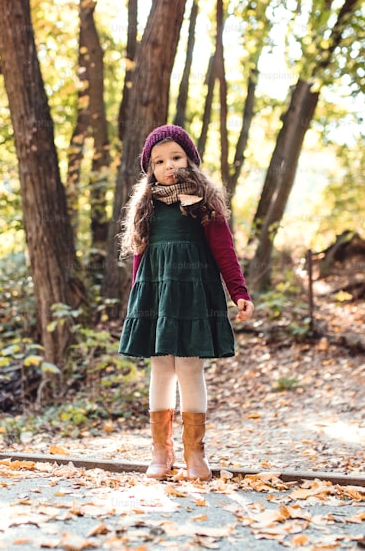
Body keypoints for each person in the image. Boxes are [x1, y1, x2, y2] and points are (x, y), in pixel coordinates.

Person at [118, 124, 254, 481]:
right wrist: (138, 300)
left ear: (190, 161)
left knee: (190, 367)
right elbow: (139, 256)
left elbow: (225, 252)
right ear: (149, 168)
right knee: (162, 367)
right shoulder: (146, 207)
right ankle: (161, 452)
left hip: (194, 290)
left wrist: (238, 292)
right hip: (157, 294)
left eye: (176, 157)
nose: (168, 166)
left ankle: (196, 451)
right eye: (159, 161)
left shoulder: (204, 204)